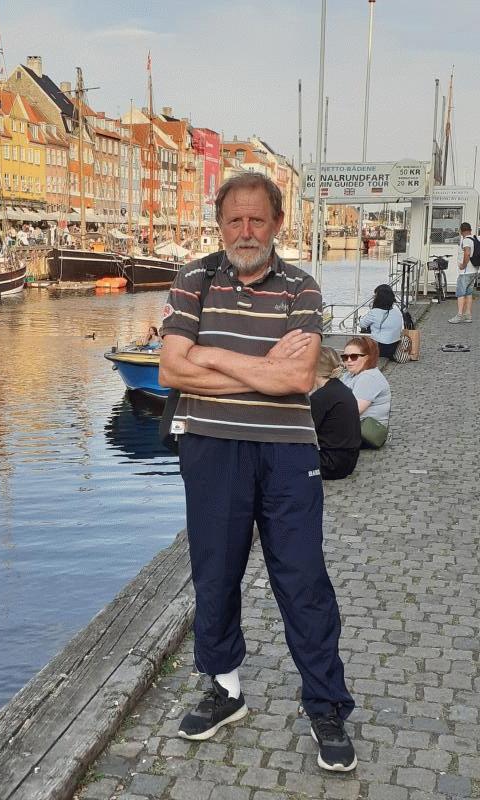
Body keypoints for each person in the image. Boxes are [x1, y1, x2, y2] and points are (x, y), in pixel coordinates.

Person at [159, 172, 356, 772]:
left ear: (277, 224)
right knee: (214, 573)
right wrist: (253, 364)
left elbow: (296, 380)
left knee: (302, 579)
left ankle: (325, 705)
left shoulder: (302, 285)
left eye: (257, 220)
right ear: (220, 225)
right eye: (234, 220)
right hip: (212, 448)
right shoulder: (194, 277)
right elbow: (171, 370)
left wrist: (208, 356)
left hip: (287, 450)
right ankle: (224, 689)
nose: (246, 231)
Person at [310, 346, 361, 479]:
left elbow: (307, 431)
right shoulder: (343, 390)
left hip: (330, 463)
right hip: (348, 461)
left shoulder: (321, 397)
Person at [340, 336, 391, 446]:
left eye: (354, 357)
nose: (348, 361)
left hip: (366, 432)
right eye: (345, 357)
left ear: (367, 357)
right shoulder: (349, 375)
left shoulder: (369, 377)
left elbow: (354, 410)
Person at [359, 284, 404, 360]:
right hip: (393, 347)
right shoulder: (396, 311)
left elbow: (362, 324)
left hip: (380, 347)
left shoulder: (374, 312)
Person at [449, 222, 478, 323]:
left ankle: (459, 315)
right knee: (469, 293)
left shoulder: (466, 241)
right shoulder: (475, 239)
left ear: (462, 230)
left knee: (461, 293)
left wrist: (463, 265)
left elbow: (467, 253)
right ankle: (468, 315)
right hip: (474, 270)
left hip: (465, 271)